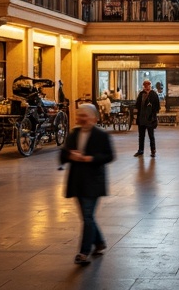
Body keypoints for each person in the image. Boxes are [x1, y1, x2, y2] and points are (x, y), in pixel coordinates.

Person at [60, 103, 115, 265]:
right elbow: (64, 152)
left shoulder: (101, 135)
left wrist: (90, 158)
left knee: (88, 215)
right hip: (77, 180)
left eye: (85, 116)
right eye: (79, 115)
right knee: (87, 216)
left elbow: (109, 156)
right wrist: (70, 155)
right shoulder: (74, 133)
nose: (81, 119)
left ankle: (84, 252)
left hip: (93, 181)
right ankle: (99, 242)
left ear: (94, 118)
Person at [132, 79, 161, 157]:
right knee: (141, 136)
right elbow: (137, 105)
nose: (146, 86)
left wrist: (152, 114)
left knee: (151, 135)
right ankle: (140, 150)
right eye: (145, 85)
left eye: (148, 85)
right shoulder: (141, 94)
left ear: (150, 85)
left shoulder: (154, 94)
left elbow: (157, 107)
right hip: (141, 119)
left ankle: (153, 150)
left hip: (150, 119)